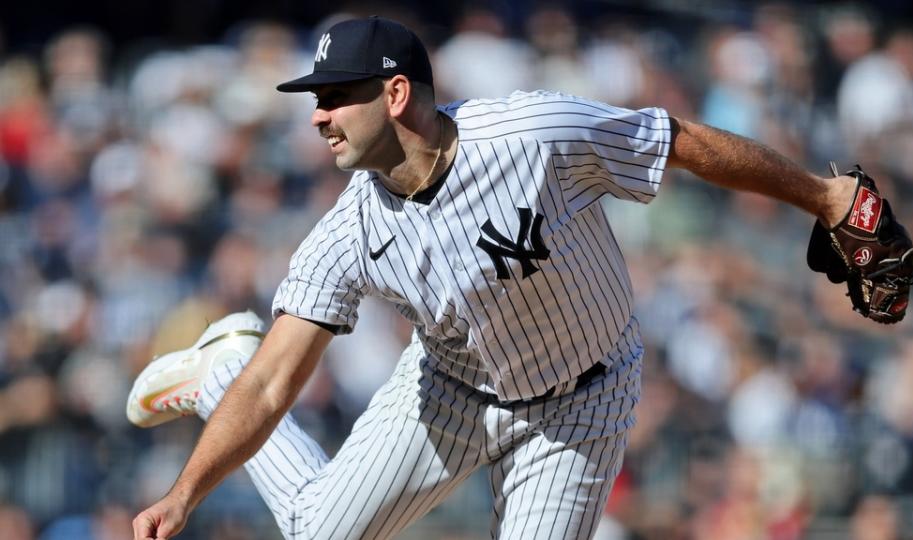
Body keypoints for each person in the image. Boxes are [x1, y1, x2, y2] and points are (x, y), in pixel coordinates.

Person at [130, 16, 861, 540]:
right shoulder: (346, 233)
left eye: (335, 95)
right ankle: (217, 368)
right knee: (316, 531)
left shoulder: (533, 135)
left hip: (579, 403)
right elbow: (272, 384)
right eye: (316, 101)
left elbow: (683, 141)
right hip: (449, 389)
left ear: (394, 94)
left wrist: (825, 200)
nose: (319, 117)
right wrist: (185, 493)